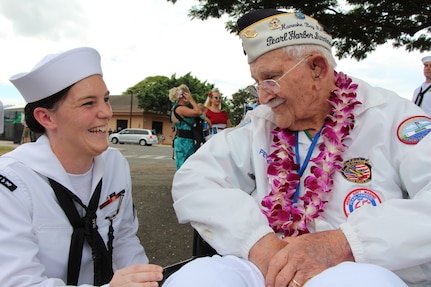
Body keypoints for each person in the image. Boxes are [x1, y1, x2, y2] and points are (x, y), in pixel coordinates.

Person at [163, 9, 431, 287]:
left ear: (317, 68)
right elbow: (194, 178)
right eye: (257, 83)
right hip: (269, 265)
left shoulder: (390, 115)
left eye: (270, 79)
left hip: (358, 264)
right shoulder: (262, 122)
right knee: (200, 278)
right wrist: (257, 242)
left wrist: (346, 243)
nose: (263, 96)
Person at [0, 47, 163, 287]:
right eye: (88, 103)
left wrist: (146, 280)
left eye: (105, 99)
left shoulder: (115, 164)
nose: (106, 112)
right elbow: (18, 282)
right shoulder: (12, 183)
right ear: (46, 118)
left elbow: (123, 238)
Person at [169, 84, 203, 170]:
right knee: (184, 168)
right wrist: (191, 100)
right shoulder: (180, 109)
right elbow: (198, 112)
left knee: (187, 167)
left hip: (185, 140)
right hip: (184, 141)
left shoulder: (177, 108)